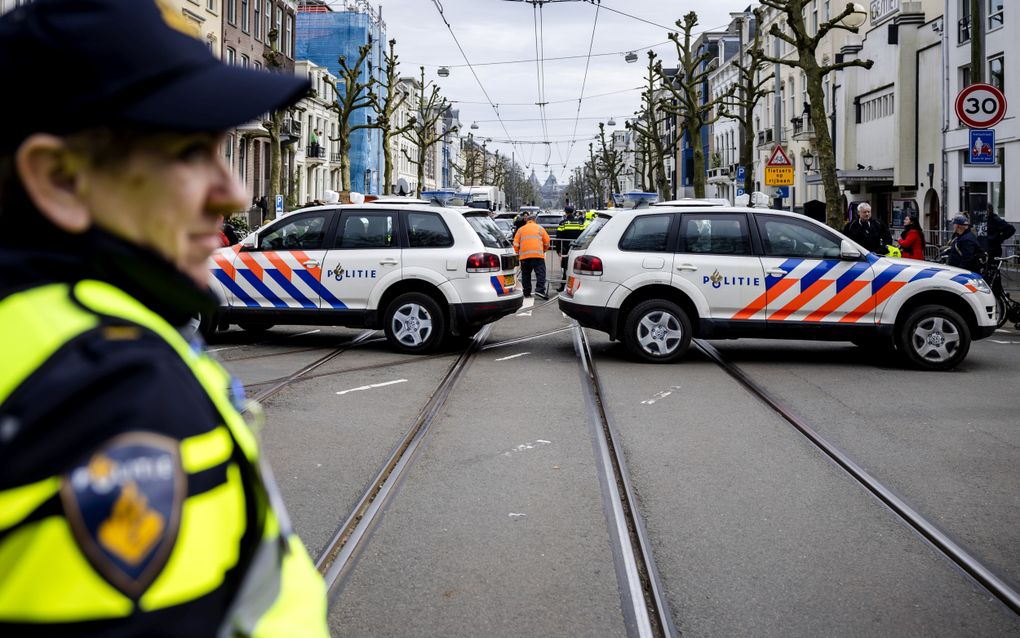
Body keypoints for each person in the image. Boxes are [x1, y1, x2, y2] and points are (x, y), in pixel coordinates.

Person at [0, 1, 328, 635]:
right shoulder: (110, 390)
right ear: (60, 179)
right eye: (186, 152)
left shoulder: (41, 334)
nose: (233, 192)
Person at [513, 213, 551, 299]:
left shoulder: (521, 229)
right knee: (540, 273)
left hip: (524, 257)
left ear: (527, 220)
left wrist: (517, 254)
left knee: (526, 275)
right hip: (537, 255)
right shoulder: (540, 228)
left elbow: (515, 243)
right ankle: (540, 290)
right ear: (535, 220)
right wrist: (544, 249)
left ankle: (526, 292)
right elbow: (547, 241)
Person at [555, 205, 587, 292]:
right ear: (573, 212)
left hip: (566, 249)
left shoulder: (563, 223)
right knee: (576, 268)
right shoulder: (580, 223)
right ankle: (577, 286)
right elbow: (583, 235)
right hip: (577, 249)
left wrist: (558, 250)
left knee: (566, 268)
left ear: (565, 212)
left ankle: (563, 285)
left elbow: (558, 238)